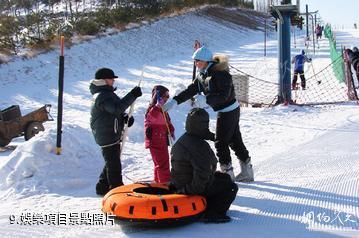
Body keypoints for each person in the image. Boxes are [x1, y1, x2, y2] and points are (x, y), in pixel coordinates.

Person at [162, 46, 254, 182]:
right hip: (225, 110)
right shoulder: (202, 75)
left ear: (205, 61)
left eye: (197, 60)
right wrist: (175, 101)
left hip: (229, 110)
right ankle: (247, 171)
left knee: (220, 142)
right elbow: (191, 90)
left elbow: (224, 95)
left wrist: (207, 99)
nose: (195, 64)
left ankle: (227, 174)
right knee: (234, 140)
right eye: (194, 61)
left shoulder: (221, 73)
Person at [170, 108, 238, 223]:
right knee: (231, 187)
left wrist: (214, 137)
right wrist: (191, 191)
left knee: (225, 178)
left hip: (182, 180)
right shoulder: (198, 147)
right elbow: (202, 173)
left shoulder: (186, 138)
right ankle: (213, 213)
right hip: (190, 185)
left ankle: (208, 201)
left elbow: (200, 133)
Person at [90, 67, 142, 196]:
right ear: (103, 80)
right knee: (114, 164)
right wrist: (132, 95)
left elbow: (114, 112)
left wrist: (124, 118)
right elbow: (115, 108)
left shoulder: (106, 93)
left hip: (110, 132)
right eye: (111, 78)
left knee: (112, 160)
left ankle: (102, 186)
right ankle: (117, 190)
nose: (113, 80)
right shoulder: (101, 96)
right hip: (106, 134)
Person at [145, 85, 175, 184]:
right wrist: (157, 106)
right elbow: (151, 118)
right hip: (155, 141)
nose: (167, 98)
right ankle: (165, 183)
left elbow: (167, 122)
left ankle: (158, 181)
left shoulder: (163, 109)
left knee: (160, 162)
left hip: (162, 140)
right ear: (158, 96)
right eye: (165, 96)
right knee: (163, 163)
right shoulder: (153, 109)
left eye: (168, 96)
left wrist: (171, 130)